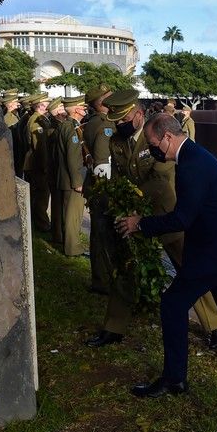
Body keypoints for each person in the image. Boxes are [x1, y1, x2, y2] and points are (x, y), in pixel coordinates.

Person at [117, 114, 217, 397]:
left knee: (172, 304)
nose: (154, 149)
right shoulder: (193, 155)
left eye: (154, 143)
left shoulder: (191, 164)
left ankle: (174, 379)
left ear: (168, 137)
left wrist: (140, 223)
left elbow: (182, 219)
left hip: (215, 251)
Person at [86, 91, 217, 349]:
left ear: (139, 115)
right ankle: (114, 326)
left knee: (188, 267)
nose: (119, 125)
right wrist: (122, 206)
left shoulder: (158, 135)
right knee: (125, 265)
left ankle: (216, 322)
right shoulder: (117, 141)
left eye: (124, 119)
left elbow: (160, 178)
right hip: (134, 214)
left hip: (166, 212)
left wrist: (135, 203)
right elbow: (119, 176)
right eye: (116, 121)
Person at [82, 84, 116, 294]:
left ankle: (100, 278)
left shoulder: (94, 122)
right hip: (103, 188)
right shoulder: (104, 125)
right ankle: (103, 280)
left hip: (96, 188)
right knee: (104, 234)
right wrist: (110, 191)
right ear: (102, 103)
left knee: (99, 233)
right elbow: (103, 164)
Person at [55, 95, 89, 256]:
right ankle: (72, 247)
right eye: (83, 107)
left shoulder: (67, 125)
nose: (85, 110)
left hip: (67, 177)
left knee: (68, 213)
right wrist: (77, 182)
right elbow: (73, 157)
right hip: (72, 179)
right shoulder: (71, 128)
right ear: (76, 109)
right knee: (73, 216)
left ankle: (66, 242)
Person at [23, 92, 53, 232]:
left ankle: (39, 222)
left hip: (36, 162)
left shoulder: (40, 118)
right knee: (41, 195)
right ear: (40, 105)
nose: (48, 104)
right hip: (36, 163)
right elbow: (39, 146)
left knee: (40, 194)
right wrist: (45, 166)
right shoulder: (36, 121)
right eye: (46, 102)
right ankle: (41, 224)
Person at [46, 98, 67, 244]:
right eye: (61, 107)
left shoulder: (55, 126)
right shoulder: (55, 129)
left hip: (55, 170)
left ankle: (58, 234)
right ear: (58, 111)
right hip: (56, 170)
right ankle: (58, 235)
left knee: (58, 204)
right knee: (58, 204)